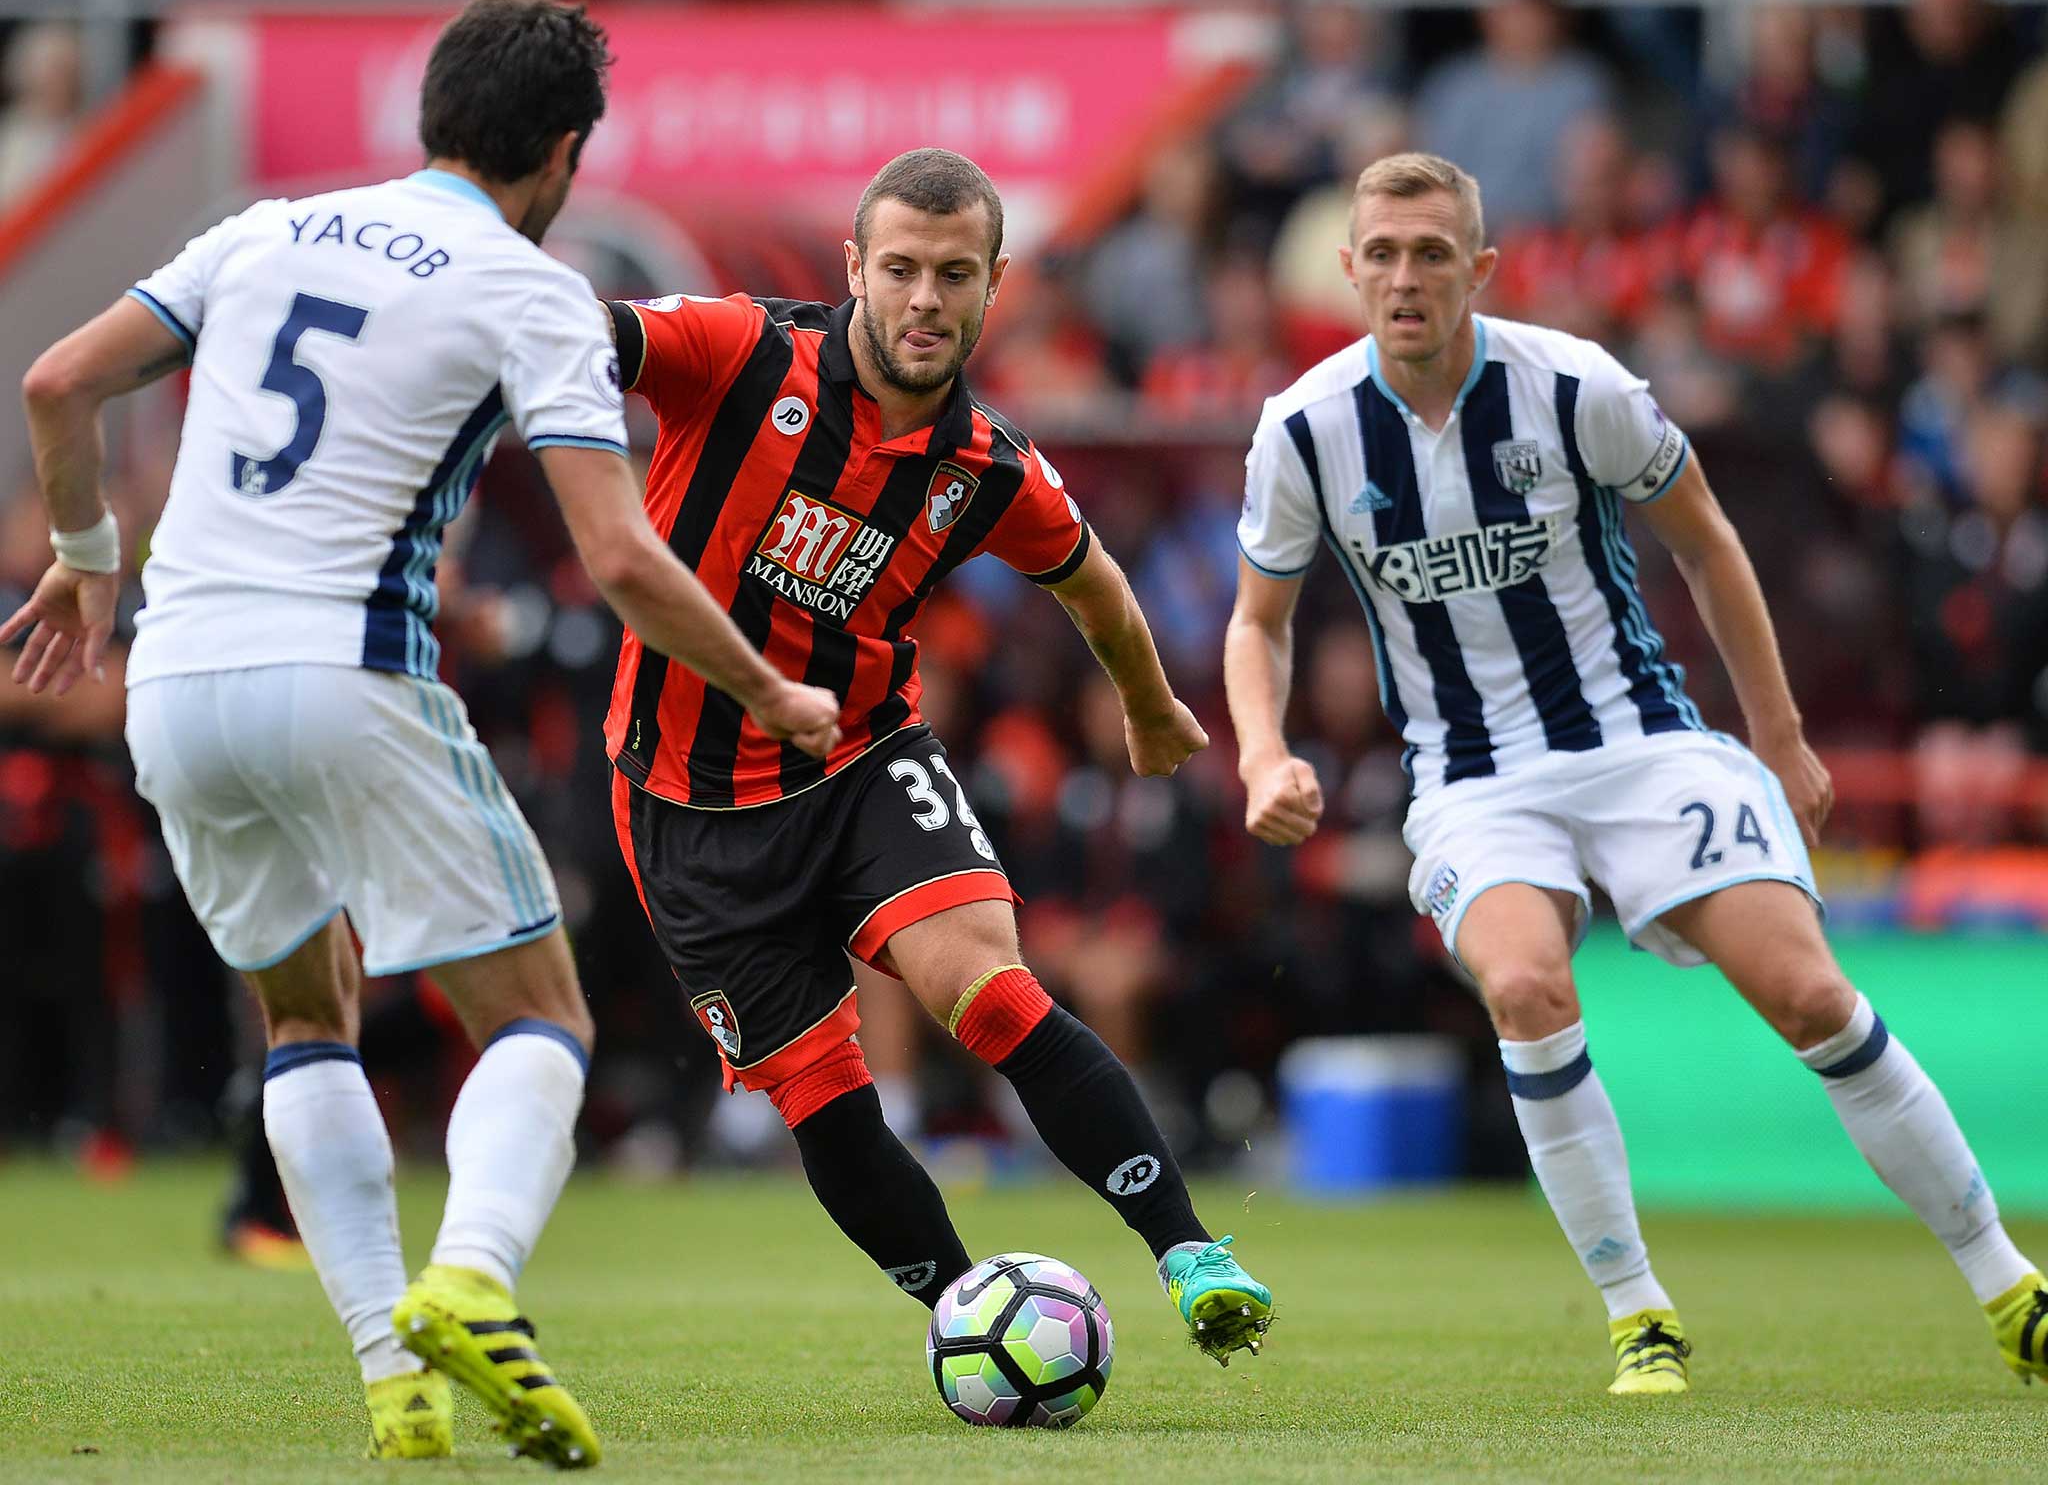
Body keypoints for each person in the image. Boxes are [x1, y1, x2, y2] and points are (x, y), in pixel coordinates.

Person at [4, 0, 838, 1466]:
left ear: (433, 114)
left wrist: (84, 551)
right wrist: (770, 688)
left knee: (306, 1013)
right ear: (567, 151)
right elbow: (625, 559)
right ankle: (477, 1280)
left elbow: (57, 380)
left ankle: (396, 1376)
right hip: (344, 672)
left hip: (175, 684)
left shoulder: (268, 231)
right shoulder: (530, 290)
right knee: (539, 1015)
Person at [1222, 151, 2046, 1395]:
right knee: (1521, 984)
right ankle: (1635, 1312)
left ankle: (2005, 1285)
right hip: (1471, 778)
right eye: (1380, 254)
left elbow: (1707, 546)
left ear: (1478, 270)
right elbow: (1257, 622)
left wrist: (1777, 737)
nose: (1403, 278)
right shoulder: (1302, 431)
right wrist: (1263, 749)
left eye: (1431, 253)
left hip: (1640, 746)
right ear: (1346, 270)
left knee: (1809, 997)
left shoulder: (1574, 386)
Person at [600, 146, 1273, 1363]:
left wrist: (1149, 703)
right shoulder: (741, 353)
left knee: (990, 994)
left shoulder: (987, 467)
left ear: (993, 284)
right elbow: (583, 338)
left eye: (953, 274)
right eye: (899, 269)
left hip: (861, 764)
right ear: (853, 267)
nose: (924, 298)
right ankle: (977, 1320)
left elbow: (1094, 582)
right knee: (825, 1100)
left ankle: (1189, 1252)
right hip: (683, 808)